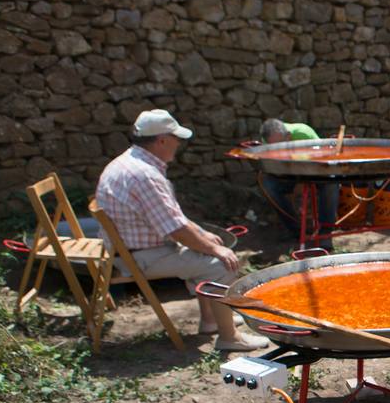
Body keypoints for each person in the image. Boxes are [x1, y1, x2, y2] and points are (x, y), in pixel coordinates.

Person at [96, 110, 270, 353]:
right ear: (162, 140)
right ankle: (229, 337)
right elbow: (175, 229)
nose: (179, 143)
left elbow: (171, 215)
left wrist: (203, 234)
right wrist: (214, 248)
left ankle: (210, 321)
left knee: (206, 246)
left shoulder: (131, 162)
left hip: (130, 247)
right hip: (139, 256)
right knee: (220, 264)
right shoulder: (144, 175)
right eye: (176, 137)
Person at [258, 118, 338, 248]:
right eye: (273, 146)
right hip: (288, 174)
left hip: (316, 171)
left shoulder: (303, 134)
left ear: (289, 136)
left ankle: (325, 232)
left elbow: (323, 161)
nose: (278, 149)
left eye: (281, 144)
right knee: (268, 185)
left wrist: (301, 181)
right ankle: (294, 229)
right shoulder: (266, 140)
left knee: (332, 183)